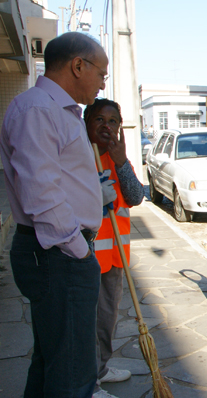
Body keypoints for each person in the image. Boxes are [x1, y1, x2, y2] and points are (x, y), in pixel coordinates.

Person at [0, 32, 113, 398]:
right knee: (72, 371)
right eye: (101, 72)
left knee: (53, 360)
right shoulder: (38, 109)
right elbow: (42, 193)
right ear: (78, 66)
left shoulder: (59, 111)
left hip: (59, 251)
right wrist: (78, 251)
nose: (102, 82)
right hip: (57, 252)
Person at [84, 99, 144, 397]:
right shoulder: (80, 156)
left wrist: (121, 163)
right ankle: (88, 383)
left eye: (112, 121)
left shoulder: (119, 158)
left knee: (107, 318)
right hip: (85, 254)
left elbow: (135, 197)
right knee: (87, 323)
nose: (106, 127)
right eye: (99, 120)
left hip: (116, 254)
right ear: (87, 124)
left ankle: (102, 368)